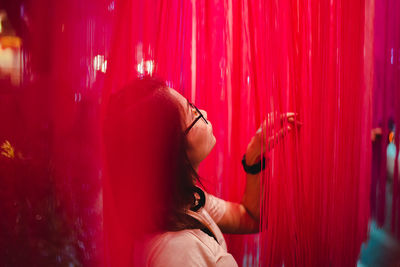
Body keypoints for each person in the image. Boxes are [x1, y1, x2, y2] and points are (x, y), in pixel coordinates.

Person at [103, 76, 299, 266]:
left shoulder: (186, 202)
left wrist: (253, 157)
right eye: (193, 112)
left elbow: (250, 218)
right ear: (172, 150)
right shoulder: (178, 251)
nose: (204, 112)